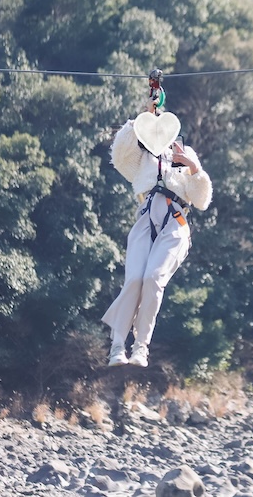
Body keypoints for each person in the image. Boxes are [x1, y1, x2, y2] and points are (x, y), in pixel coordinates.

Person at [101, 105, 212, 368]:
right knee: (134, 280)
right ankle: (117, 346)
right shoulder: (142, 158)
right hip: (146, 219)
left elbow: (201, 200)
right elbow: (119, 156)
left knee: (153, 278)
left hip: (176, 222)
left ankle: (141, 347)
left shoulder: (184, 154)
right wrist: (139, 120)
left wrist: (192, 167)